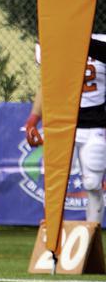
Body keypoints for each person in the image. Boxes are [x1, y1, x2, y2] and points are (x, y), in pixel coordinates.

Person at [26, 33, 106, 223]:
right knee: (55, 183)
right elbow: (46, 84)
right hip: (61, 124)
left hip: (94, 126)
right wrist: (32, 120)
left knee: (93, 182)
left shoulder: (102, 41)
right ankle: (52, 231)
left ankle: (90, 232)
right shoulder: (52, 36)